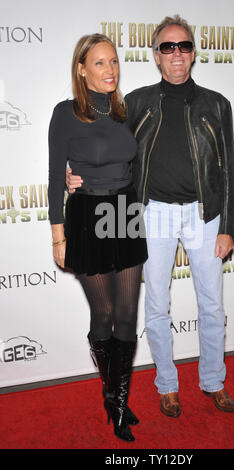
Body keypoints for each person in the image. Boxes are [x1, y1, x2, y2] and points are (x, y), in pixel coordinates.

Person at [67, 15, 234, 418]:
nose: (176, 53)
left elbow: (227, 169)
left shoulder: (217, 104)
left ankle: (214, 381)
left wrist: (228, 227)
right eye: (167, 47)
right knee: (157, 304)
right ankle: (167, 385)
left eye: (183, 46)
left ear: (193, 53)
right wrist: (76, 174)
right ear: (157, 56)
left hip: (204, 214)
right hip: (153, 214)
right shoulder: (138, 102)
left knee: (212, 305)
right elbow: (104, 144)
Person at [48, 34, 148, 442]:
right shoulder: (66, 113)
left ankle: (118, 401)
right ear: (82, 68)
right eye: (100, 63)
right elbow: (57, 177)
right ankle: (112, 392)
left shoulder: (127, 111)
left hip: (125, 212)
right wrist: (59, 238)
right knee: (104, 315)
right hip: (88, 214)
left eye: (114, 62)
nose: (110, 70)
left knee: (127, 316)